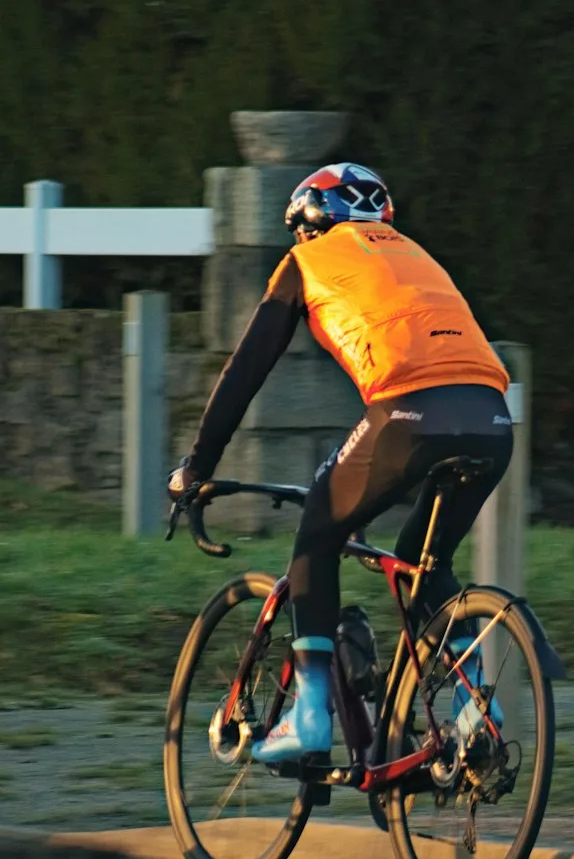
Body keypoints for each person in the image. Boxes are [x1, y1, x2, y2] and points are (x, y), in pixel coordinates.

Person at [168, 163, 512, 763]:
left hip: (409, 415)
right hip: (493, 418)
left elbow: (245, 371)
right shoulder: (415, 255)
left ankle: (308, 717)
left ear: (311, 223)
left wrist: (196, 467)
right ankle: (476, 709)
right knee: (424, 566)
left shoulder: (308, 262)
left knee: (317, 536)